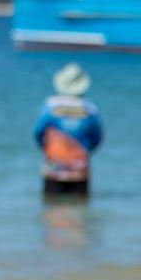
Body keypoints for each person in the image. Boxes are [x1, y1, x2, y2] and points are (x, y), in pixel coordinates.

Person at [33, 63, 103, 198]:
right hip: (80, 168)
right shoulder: (90, 109)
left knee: (51, 211)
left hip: (53, 167)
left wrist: (48, 150)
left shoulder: (49, 106)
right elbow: (97, 138)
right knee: (79, 213)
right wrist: (83, 153)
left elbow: (38, 133)